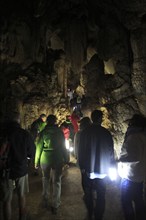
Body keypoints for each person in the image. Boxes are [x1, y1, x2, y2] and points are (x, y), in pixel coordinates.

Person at [78, 110, 116, 220]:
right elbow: (110, 153)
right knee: (101, 195)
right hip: (103, 170)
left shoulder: (85, 132)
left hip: (88, 170)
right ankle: (99, 216)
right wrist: (112, 167)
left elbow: (81, 151)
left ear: (92, 118)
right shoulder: (106, 133)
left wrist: (82, 167)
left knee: (88, 194)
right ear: (101, 119)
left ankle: (90, 213)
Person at [1, 113, 35, 220]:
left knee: (7, 201)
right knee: (22, 196)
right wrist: (27, 162)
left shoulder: (2, 133)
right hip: (21, 169)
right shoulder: (24, 134)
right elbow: (32, 152)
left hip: (5, 170)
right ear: (18, 121)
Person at [35, 114, 68, 214]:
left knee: (45, 179)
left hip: (45, 158)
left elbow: (39, 148)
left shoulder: (43, 132)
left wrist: (36, 161)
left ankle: (45, 200)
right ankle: (55, 204)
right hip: (57, 158)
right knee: (57, 181)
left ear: (47, 122)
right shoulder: (59, 132)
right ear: (55, 122)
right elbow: (63, 147)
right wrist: (66, 158)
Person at [118, 114, 146, 220]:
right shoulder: (144, 135)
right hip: (140, 175)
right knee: (138, 199)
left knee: (126, 202)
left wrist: (119, 160)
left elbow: (134, 157)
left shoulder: (133, 137)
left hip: (130, 176)